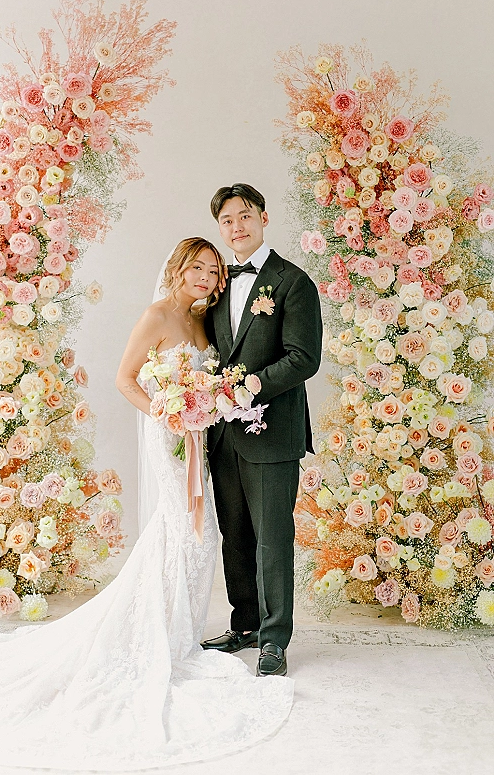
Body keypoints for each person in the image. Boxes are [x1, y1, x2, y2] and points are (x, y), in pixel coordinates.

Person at [0, 237, 293, 773]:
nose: (207, 277)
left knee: (203, 532)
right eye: (198, 268)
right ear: (179, 268)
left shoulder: (204, 324)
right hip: (172, 441)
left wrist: (197, 410)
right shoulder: (157, 315)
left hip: (200, 441)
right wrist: (168, 414)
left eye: (214, 271)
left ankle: (180, 631)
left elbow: (206, 379)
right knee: (184, 530)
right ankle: (156, 634)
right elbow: (126, 380)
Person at [202, 184, 322, 678]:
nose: (237, 227)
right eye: (227, 220)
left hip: (271, 432)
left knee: (273, 539)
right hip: (223, 436)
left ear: (264, 217)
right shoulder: (215, 283)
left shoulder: (292, 282)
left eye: (245, 216)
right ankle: (245, 624)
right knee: (236, 536)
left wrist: (251, 386)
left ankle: (275, 640)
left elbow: (304, 358)